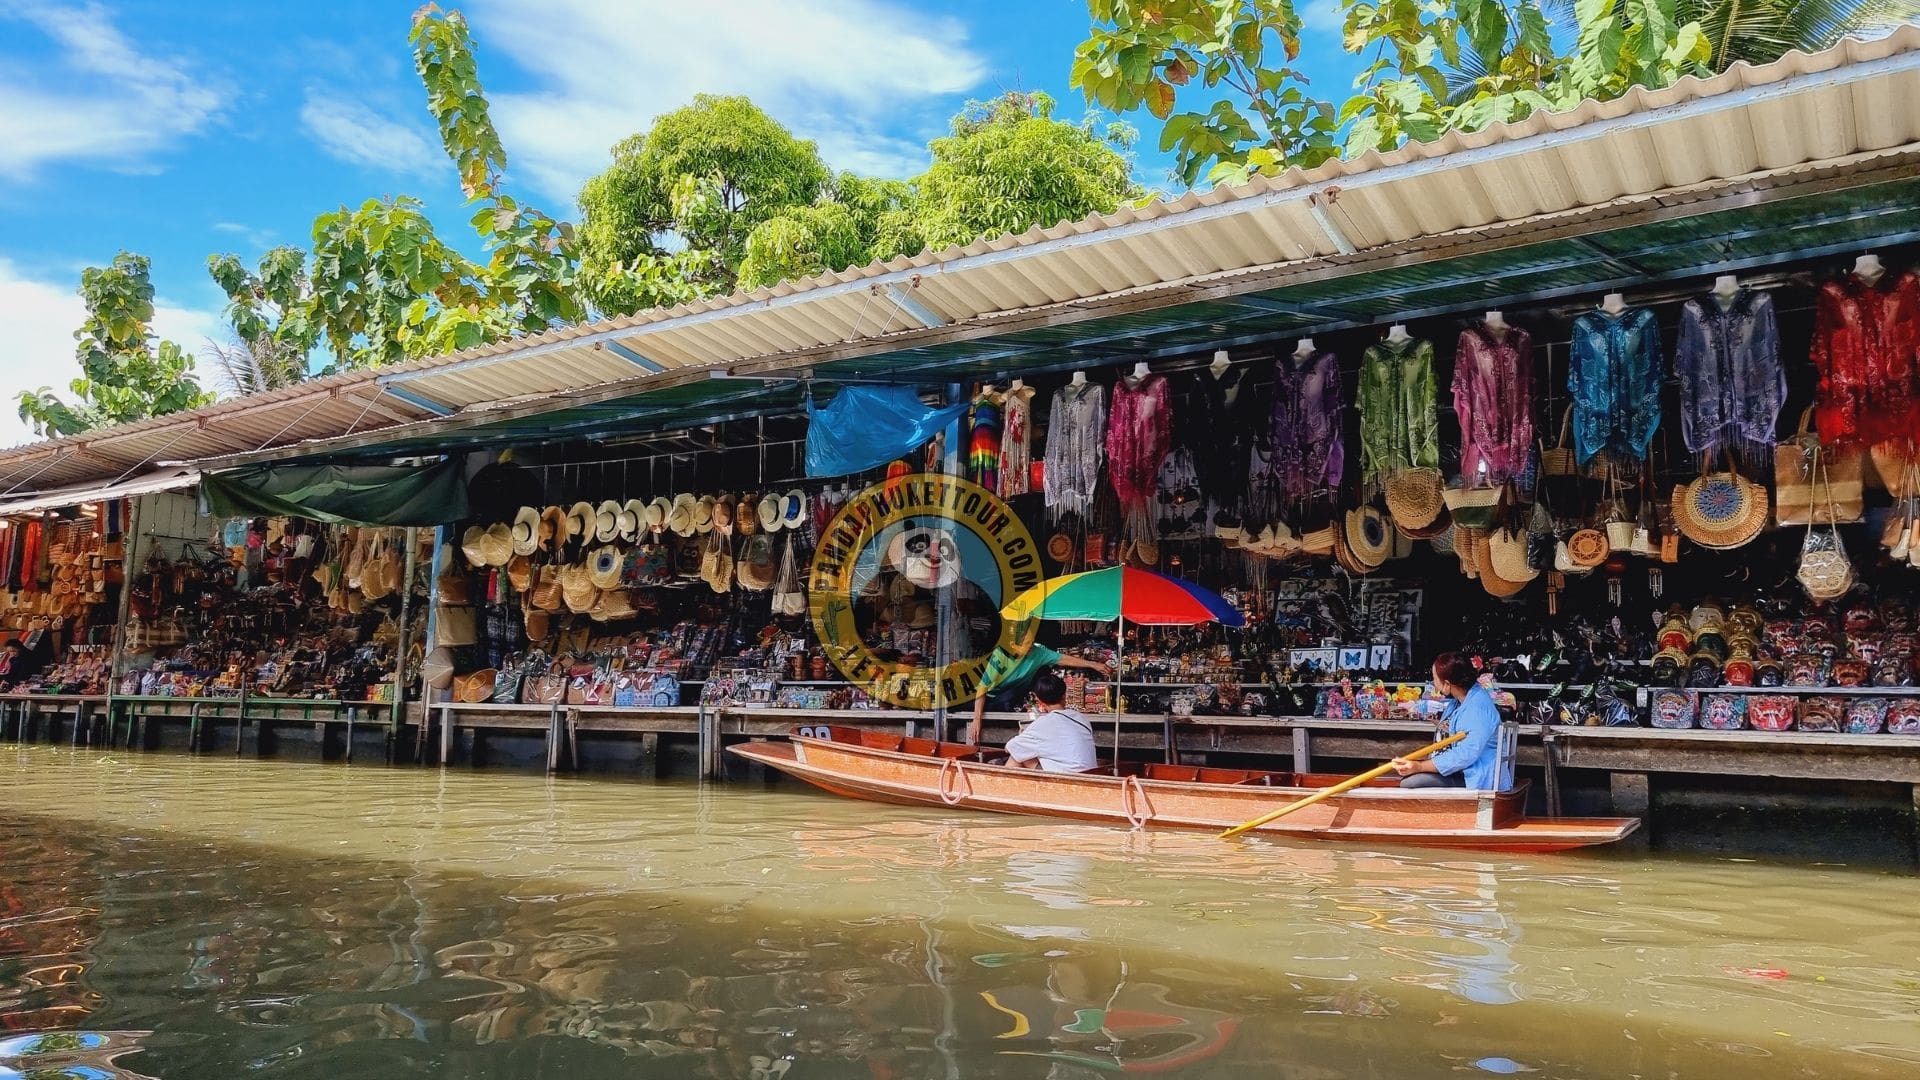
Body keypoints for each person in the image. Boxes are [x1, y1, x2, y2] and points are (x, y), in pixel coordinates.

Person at [1392, 652, 1513, 791]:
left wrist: (1420, 766)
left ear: (1446, 684)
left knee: (1410, 783)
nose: (1433, 683)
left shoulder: (1477, 708)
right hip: (1465, 769)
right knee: (1410, 778)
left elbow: (1466, 754)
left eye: (1434, 678)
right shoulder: (1463, 699)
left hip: (1478, 775)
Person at [969, 641, 1111, 744]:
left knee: (1042, 673)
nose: (1030, 646)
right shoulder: (1001, 655)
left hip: (1017, 693)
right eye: (1025, 644)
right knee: (1008, 698)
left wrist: (1093, 665)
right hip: (993, 698)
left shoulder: (1038, 652)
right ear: (1013, 644)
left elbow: (1063, 659)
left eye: (1031, 642)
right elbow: (982, 688)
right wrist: (977, 719)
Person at [1002, 672, 1099, 773]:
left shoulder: (1043, 723)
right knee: (1024, 752)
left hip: (1065, 778)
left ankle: (1000, 782)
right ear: (1064, 695)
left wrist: (1024, 737)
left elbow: (1010, 748)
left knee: (1017, 756)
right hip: (1088, 775)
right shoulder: (1081, 718)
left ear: (1039, 701)